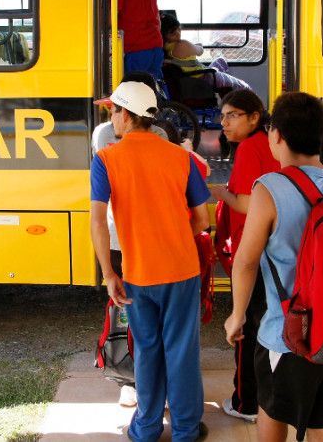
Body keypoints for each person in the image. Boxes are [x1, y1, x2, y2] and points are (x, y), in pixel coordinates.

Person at [224, 92, 323, 442]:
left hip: (287, 333)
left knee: (272, 409)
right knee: (321, 418)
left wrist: (237, 314)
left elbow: (245, 261)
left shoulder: (269, 188)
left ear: (276, 135)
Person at [91, 80, 211, 442]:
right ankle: (186, 429)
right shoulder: (180, 157)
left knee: (146, 347)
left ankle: (145, 429)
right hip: (182, 269)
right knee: (182, 349)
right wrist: (172, 237)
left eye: (113, 110)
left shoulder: (106, 160)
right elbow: (203, 219)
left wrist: (108, 272)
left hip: (139, 273)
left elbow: (97, 220)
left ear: (126, 115)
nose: (111, 117)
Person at [91, 72, 169, 409]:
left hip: (147, 238)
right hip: (119, 238)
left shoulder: (159, 134)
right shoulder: (103, 136)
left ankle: (151, 380)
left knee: (151, 314)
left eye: (115, 108)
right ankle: (129, 376)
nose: (112, 115)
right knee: (125, 309)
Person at [208, 89, 279, 423]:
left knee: (245, 328)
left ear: (254, 117)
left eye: (231, 115)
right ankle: (265, 400)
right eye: (222, 116)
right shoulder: (272, 144)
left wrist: (221, 193)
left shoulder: (251, 147)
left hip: (253, 252)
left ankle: (245, 402)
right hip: (276, 252)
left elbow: (250, 206)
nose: (224, 123)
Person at [160, 13, 251, 91]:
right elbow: (200, 50)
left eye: (178, 29)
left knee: (220, 61)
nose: (178, 33)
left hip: (200, 74)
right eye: (173, 33)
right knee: (244, 86)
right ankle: (225, 87)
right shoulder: (181, 45)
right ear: (164, 35)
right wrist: (198, 45)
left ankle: (224, 90)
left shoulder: (166, 48)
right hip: (204, 78)